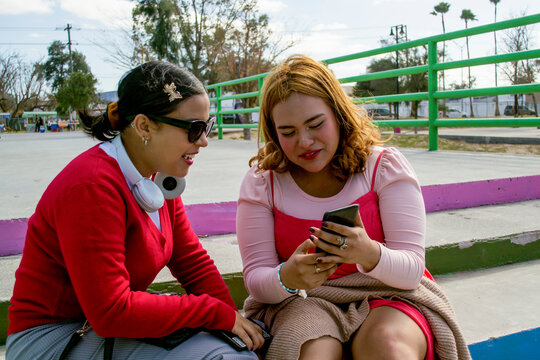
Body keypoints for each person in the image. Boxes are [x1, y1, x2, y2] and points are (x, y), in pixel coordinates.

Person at [6, 61, 263, 360]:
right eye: (194, 129)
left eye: (208, 126)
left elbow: (192, 262)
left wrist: (234, 321)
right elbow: (111, 311)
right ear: (143, 126)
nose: (204, 141)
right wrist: (214, 313)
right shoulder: (92, 187)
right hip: (52, 338)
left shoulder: (157, 178)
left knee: (242, 350)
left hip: (98, 328)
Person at [236, 55, 470, 360]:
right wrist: (286, 278)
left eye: (315, 124)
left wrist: (368, 254)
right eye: (288, 132)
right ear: (273, 132)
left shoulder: (383, 166)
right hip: (305, 300)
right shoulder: (262, 182)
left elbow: (412, 270)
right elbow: (256, 281)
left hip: (388, 293)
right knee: (312, 352)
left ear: (338, 114)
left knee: (389, 347)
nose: (305, 141)